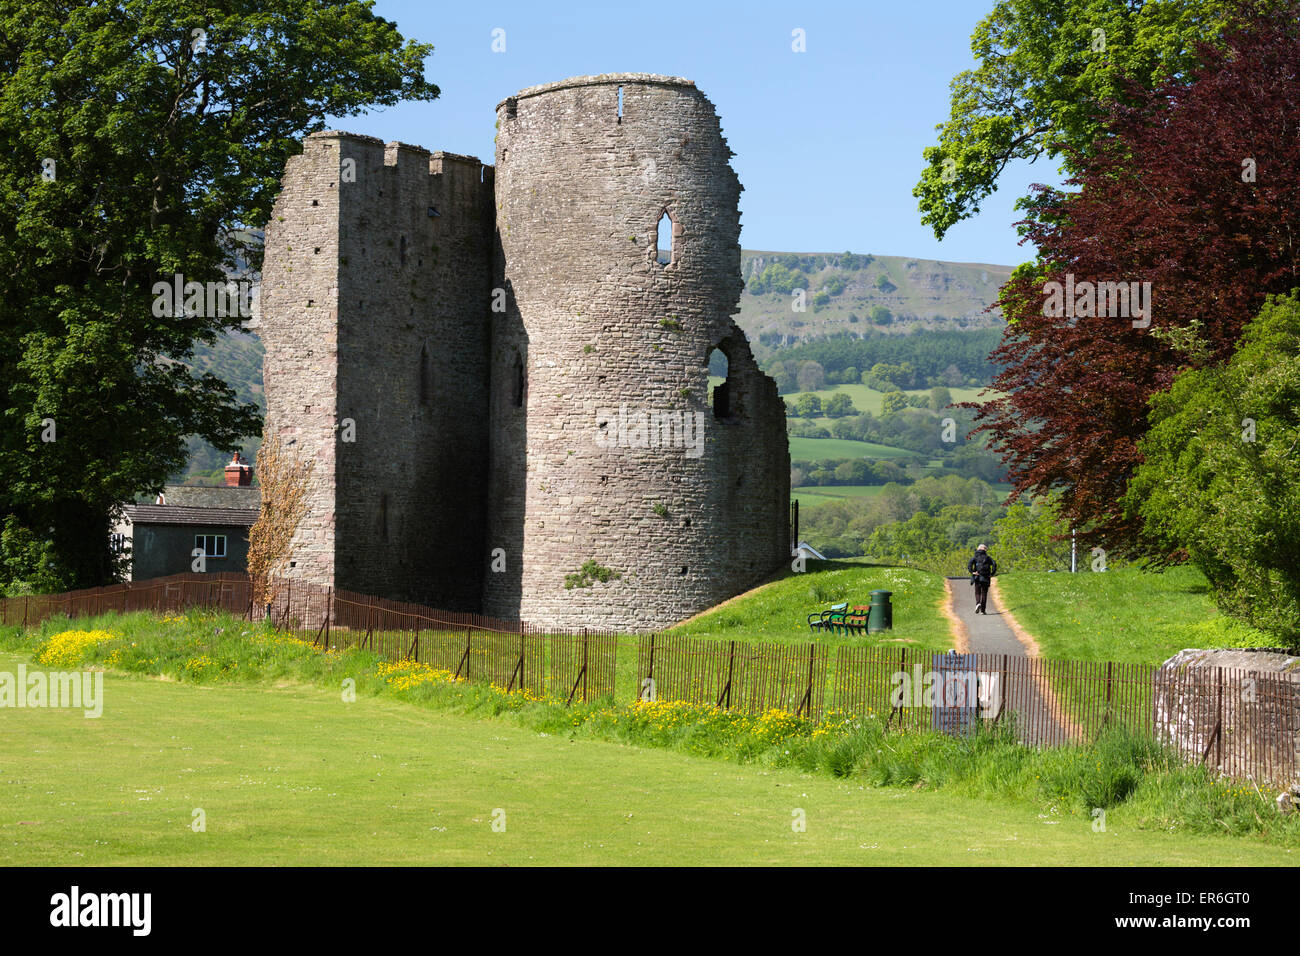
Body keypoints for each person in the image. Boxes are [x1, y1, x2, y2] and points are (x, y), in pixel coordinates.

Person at [968, 544, 997, 614]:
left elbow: (969, 564)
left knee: (977, 592)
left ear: (978, 549)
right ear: (985, 550)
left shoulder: (975, 557)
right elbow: (994, 564)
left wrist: (973, 572)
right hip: (986, 577)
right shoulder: (987, 558)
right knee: (984, 593)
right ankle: (983, 610)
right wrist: (992, 573)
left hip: (977, 576)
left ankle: (978, 603)